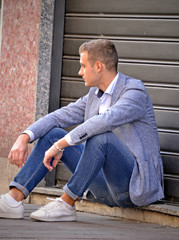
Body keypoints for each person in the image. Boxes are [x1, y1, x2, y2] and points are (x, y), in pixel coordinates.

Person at [0, 39, 164, 221]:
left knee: (101, 138)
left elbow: (104, 121)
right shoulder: (94, 95)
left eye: (83, 66)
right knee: (53, 134)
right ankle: (13, 200)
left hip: (132, 187)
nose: (79, 72)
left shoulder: (134, 92)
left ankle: (66, 203)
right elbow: (59, 116)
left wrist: (60, 146)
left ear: (99, 66)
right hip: (103, 188)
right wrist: (24, 136)